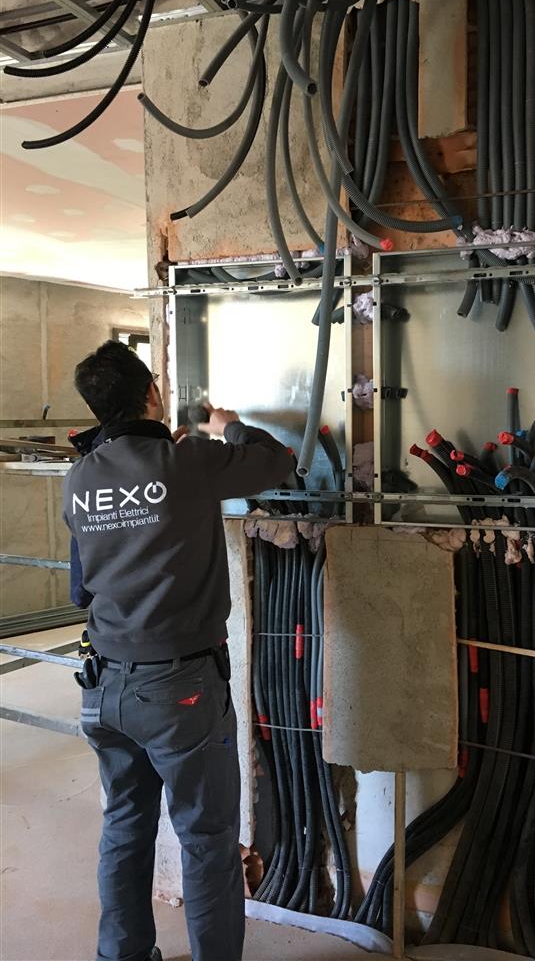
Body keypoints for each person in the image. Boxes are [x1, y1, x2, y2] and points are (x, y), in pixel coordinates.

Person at [63, 340, 293, 961]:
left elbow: (80, 588)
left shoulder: (80, 477)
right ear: (150, 393)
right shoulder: (186, 460)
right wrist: (228, 427)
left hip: (103, 687)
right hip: (179, 691)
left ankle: (122, 955)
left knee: (124, 827)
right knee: (207, 837)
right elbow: (277, 460)